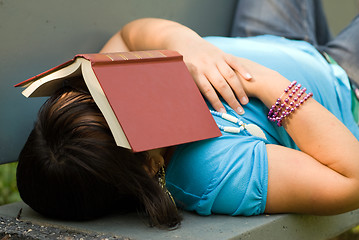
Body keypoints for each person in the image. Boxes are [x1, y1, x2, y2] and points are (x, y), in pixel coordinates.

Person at [17, 0, 359, 229]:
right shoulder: (213, 172)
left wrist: (186, 43)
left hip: (273, 41)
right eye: (129, 108)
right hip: (344, 83)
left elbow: (128, 35)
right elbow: (351, 181)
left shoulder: (99, 104)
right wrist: (270, 85)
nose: (131, 91)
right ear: (150, 167)